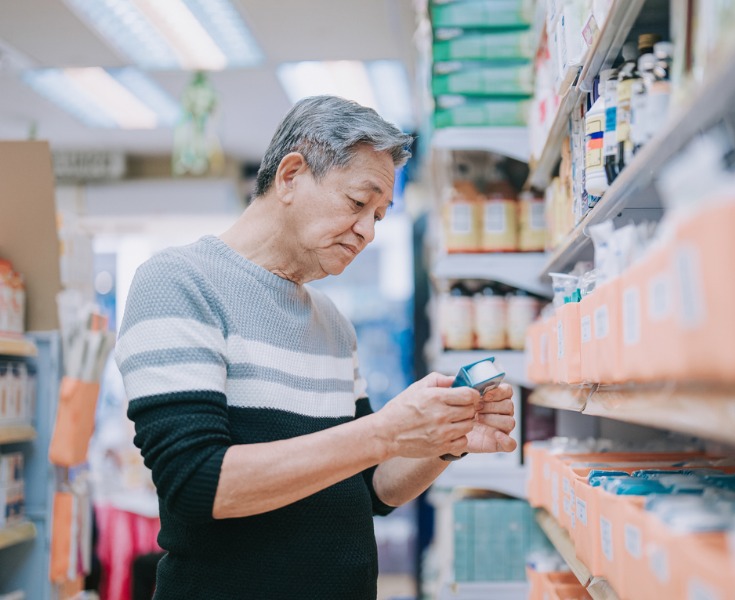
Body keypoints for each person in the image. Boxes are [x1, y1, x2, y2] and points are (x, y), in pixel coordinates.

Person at [115, 95, 518, 599]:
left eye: (380, 214)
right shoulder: (178, 284)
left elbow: (373, 487)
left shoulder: (331, 322)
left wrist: (444, 438)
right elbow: (198, 483)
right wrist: (386, 430)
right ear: (290, 176)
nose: (369, 231)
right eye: (357, 203)